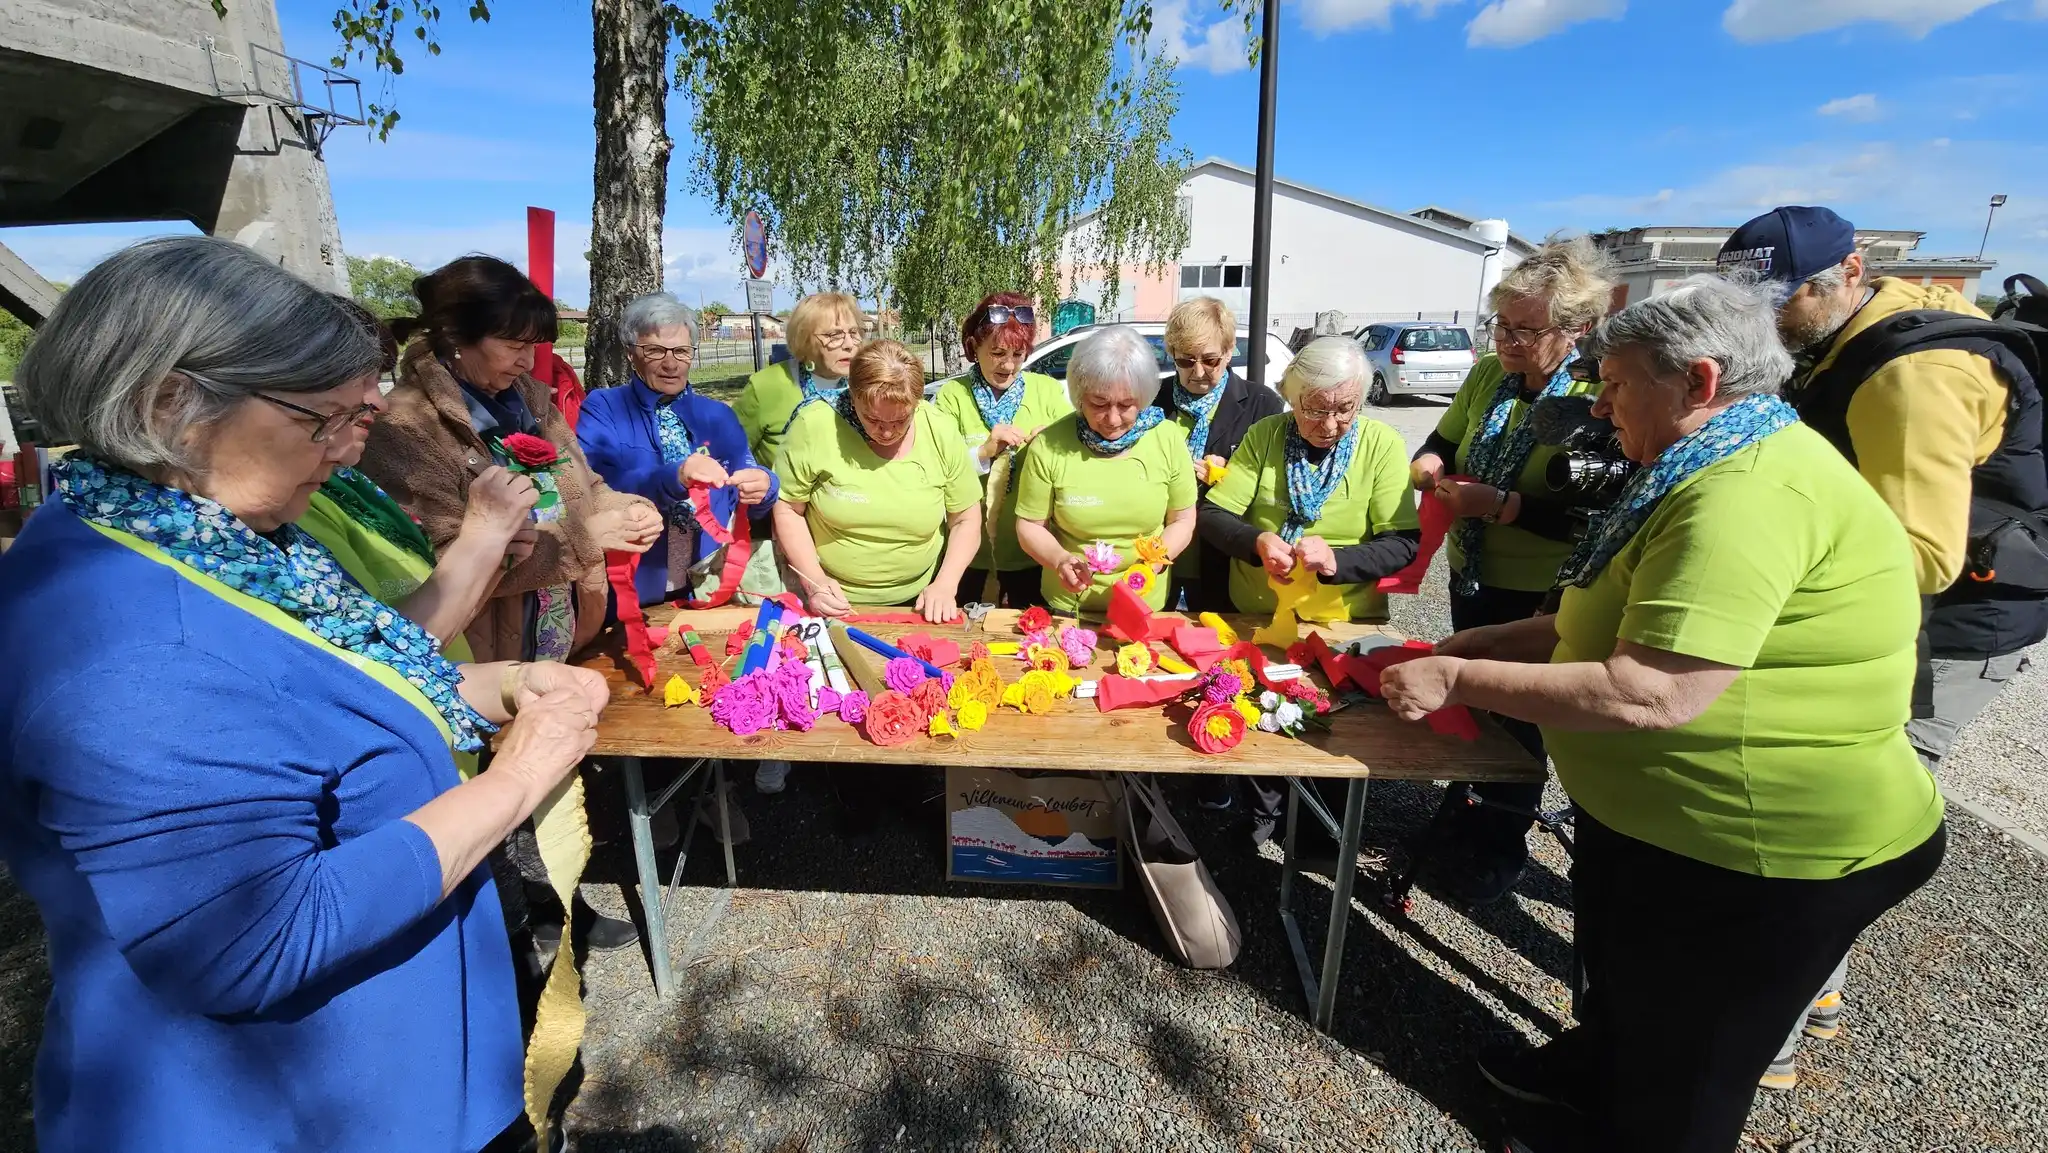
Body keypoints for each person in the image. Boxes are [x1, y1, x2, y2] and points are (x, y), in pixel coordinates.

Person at [0, 235, 608, 1153]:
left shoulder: (214, 538)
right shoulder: (132, 651)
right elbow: (263, 936)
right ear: (172, 404)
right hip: (295, 1113)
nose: (342, 449)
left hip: (376, 1081)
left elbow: (330, 695)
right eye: (322, 419)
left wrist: (495, 683)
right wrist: (519, 780)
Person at [1381, 277, 1946, 1153]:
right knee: (1629, 1002)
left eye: (1614, 382)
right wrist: (1482, 640)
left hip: (1760, 850)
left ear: (1700, 381)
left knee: (1688, 1078)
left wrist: (1459, 682)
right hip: (1664, 831)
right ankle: (1585, 1086)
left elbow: (1652, 691)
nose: (1599, 406)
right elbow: (1598, 612)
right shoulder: (1697, 461)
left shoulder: (1748, 495)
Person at [1718, 205, 2048, 1089]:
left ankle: (1765, 1045)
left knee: (1819, 830)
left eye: (1779, 302)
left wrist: (1752, 582)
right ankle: (1817, 992)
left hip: (1947, 630)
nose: (1764, 321)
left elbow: (1920, 555)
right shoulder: (1845, 339)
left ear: (1850, 274)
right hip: (1904, 617)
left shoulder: (1911, 373)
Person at [1407, 236, 1618, 904]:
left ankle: (1498, 846)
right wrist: (1433, 463)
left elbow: (1599, 517)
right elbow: (1444, 439)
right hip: (1474, 572)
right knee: (1473, 701)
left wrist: (1498, 504)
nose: (1507, 341)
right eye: (1501, 325)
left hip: (1546, 591)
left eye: (1525, 330)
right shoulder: (1488, 378)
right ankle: (1462, 817)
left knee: (1521, 725)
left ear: (1573, 331)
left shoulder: (1597, 395)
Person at [358, 255, 663, 665]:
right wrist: (586, 538)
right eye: (514, 346)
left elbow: (587, 486)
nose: (527, 361)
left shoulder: (533, 404)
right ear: (455, 338)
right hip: (484, 664)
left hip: (566, 643)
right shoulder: (404, 429)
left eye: (532, 347)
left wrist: (629, 511)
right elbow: (438, 566)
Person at [1198, 336, 1421, 842]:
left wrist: (1338, 560)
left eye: (1345, 410)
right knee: (1259, 716)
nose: (1330, 426)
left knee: (1337, 729)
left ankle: (1326, 831)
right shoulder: (1266, 434)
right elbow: (1213, 514)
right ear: (1292, 397)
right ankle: (1263, 812)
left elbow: (1402, 542)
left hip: (1342, 619)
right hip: (1261, 613)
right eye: (1315, 410)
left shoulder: (1379, 443)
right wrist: (1257, 540)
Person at [577, 292, 778, 608]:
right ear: (631, 354)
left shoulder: (718, 415)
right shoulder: (604, 407)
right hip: (633, 593)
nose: (671, 363)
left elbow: (746, 494)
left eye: (682, 351)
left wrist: (765, 487)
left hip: (709, 587)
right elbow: (597, 490)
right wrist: (676, 476)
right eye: (655, 351)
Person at [772, 338, 982, 622]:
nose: (886, 433)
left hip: (919, 599)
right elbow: (787, 509)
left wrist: (946, 583)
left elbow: (965, 519)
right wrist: (814, 581)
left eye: (900, 421)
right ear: (854, 395)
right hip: (831, 596)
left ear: (916, 404)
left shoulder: (940, 430)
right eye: (873, 419)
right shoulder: (814, 425)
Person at [1013, 324, 1199, 617]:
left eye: (1126, 405)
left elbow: (1184, 519)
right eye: (1099, 403)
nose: (1112, 419)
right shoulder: (1049, 445)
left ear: (1145, 396)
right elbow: (1029, 526)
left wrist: (1156, 560)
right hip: (1067, 607)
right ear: (1079, 395)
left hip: (1144, 605)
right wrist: (1060, 560)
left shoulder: (1168, 440)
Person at [930, 292, 1071, 608]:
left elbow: (1074, 459)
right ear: (973, 347)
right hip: (967, 554)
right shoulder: (953, 396)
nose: (1008, 365)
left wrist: (1050, 444)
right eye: (997, 353)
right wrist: (983, 452)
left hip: (1030, 553)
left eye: (1018, 354)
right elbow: (936, 472)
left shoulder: (1047, 391)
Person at [1158, 296, 1285, 613]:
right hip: (1160, 547)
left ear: (1229, 352)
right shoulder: (1151, 398)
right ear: (1172, 354)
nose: (1198, 371)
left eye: (1210, 360)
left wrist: (1234, 471)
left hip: (1223, 556)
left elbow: (1275, 478)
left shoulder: (1262, 404)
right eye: (1186, 361)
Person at [732, 291, 864, 467]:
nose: (849, 344)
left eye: (853, 333)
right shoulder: (766, 387)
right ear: (805, 339)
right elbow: (730, 452)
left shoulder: (865, 381)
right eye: (834, 335)